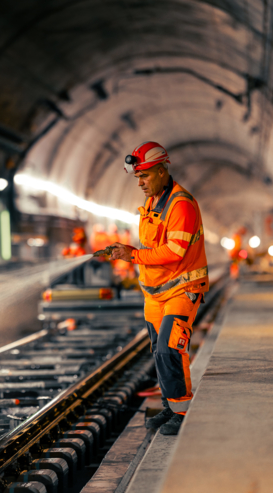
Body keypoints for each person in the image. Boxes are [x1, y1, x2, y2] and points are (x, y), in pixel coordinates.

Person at [109, 141, 209, 435]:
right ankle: (170, 406)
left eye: (146, 175)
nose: (140, 183)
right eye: (138, 177)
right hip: (156, 294)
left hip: (182, 289)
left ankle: (182, 412)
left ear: (164, 170)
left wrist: (133, 255)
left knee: (170, 349)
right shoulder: (154, 202)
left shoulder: (181, 205)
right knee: (158, 351)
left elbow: (174, 251)